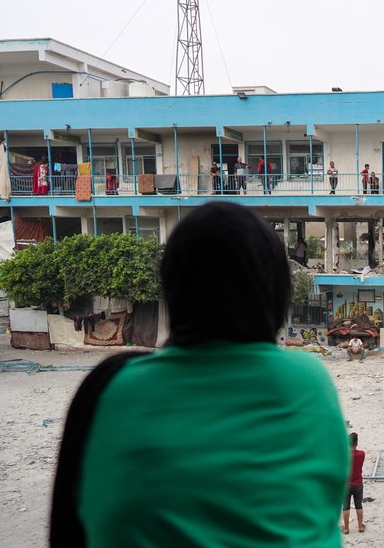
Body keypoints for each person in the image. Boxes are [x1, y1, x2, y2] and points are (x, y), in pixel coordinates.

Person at [50, 201, 348, 547]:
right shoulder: (308, 382)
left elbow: (67, 528)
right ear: (276, 291)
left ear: (173, 286)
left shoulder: (111, 389)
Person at [342, 433, 366, 534]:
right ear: (357, 443)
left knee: (346, 507)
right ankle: (360, 526)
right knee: (358, 505)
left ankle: (346, 528)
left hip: (346, 485)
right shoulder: (361, 454)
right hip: (358, 483)